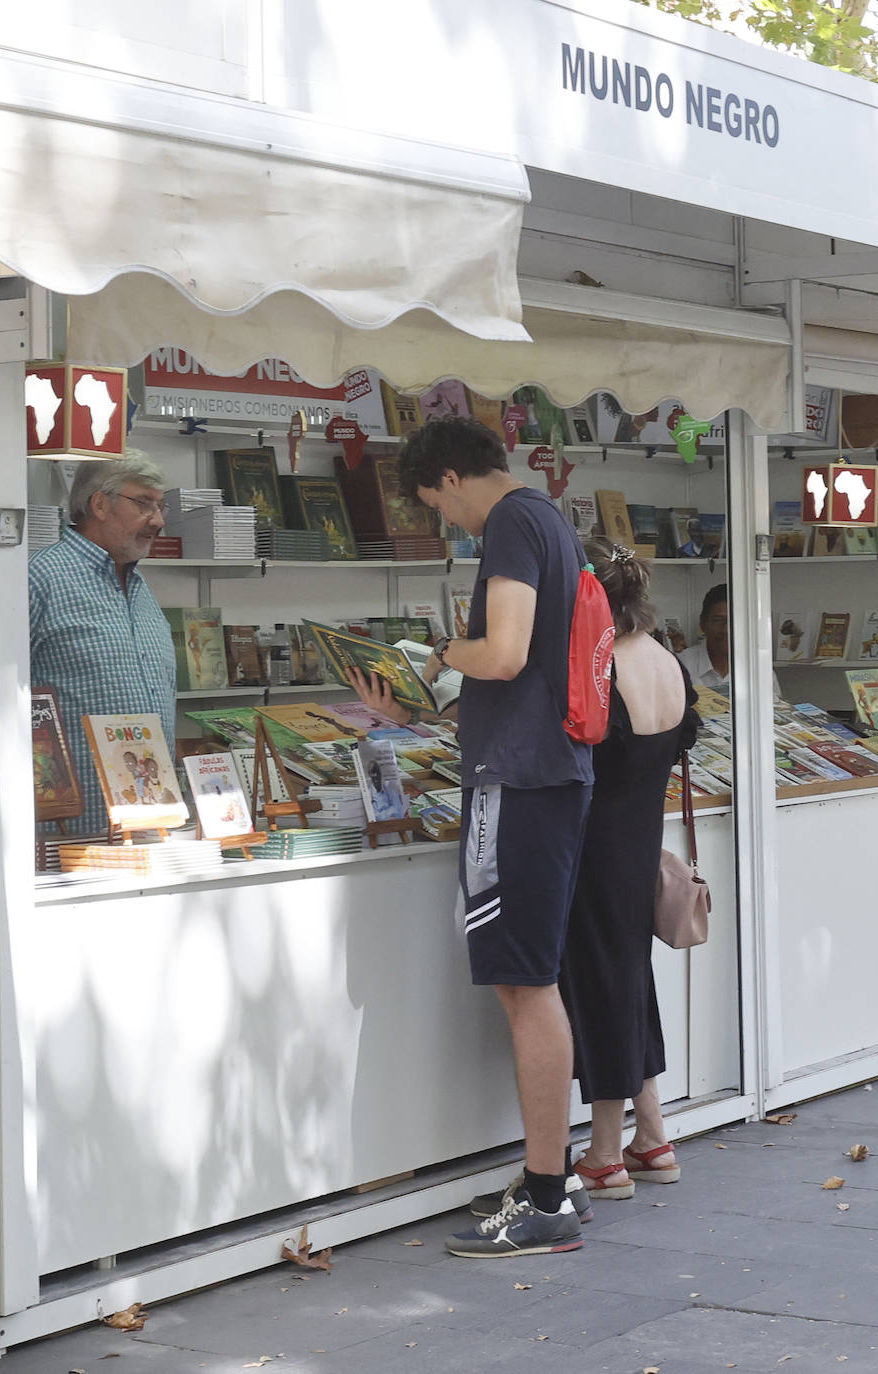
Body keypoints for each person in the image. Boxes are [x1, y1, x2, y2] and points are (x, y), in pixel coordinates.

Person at [346, 416, 594, 1258]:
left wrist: (432, 649)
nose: (445, 522)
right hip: (539, 771)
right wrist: (416, 702)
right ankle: (547, 1178)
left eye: (434, 505)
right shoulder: (550, 521)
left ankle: (549, 1198)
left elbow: (507, 653)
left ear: (451, 477)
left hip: (518, 786)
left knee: (524, 984)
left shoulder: (514, 524)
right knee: (534, 978)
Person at [560, 539, 699, 1200]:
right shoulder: (668, 663)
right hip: (640, 844)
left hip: (591, 850)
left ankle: (606, 1153)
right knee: (628, 983)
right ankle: (653, 1136)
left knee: (600, 991)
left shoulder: (599, 667)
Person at [29, 454, 176, 835]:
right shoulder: (38, 579)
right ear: (99, 504)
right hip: (72, 837)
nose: (158, 520)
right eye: (144, 503)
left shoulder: (140, 588)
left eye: (160, 506)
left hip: (152, 826)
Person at [676, 583, 782, 697]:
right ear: (703, 623)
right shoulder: (681, 665)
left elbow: (776, 711)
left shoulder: (759, 669)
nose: (727, 629)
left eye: (735, 621)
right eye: (718, 620)